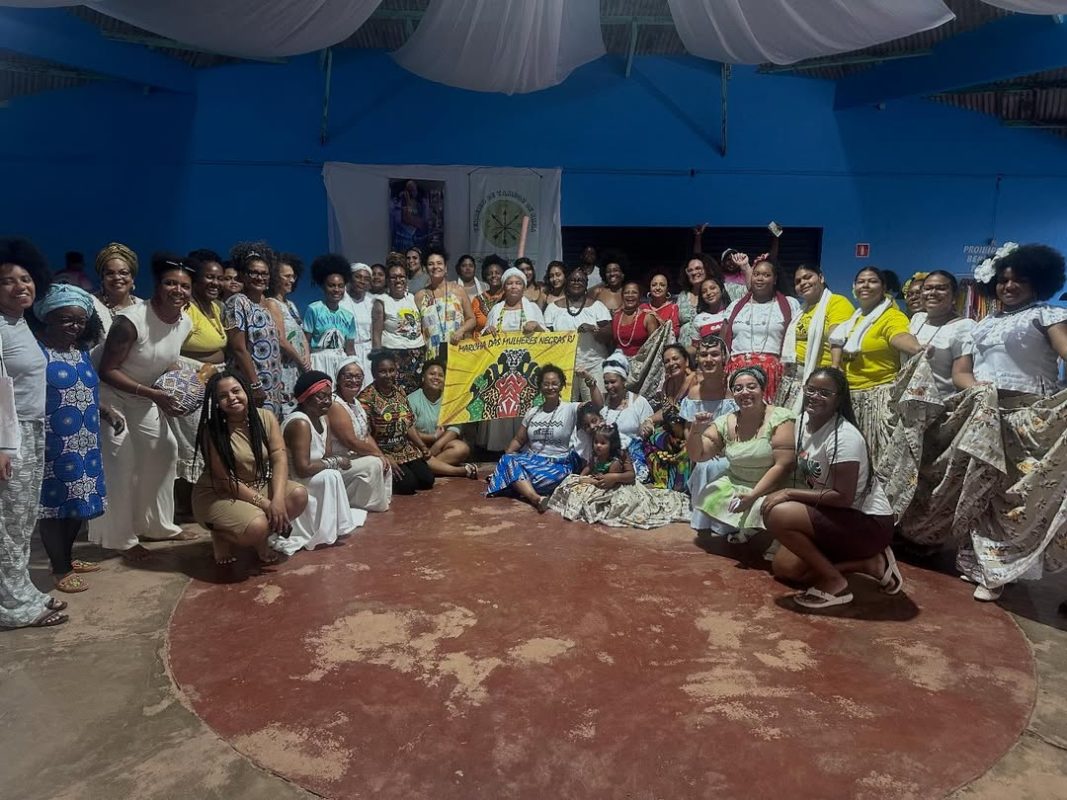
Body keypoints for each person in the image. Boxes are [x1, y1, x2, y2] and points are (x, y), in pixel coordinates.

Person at [900, 244, 1067, 601]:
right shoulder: (985, 323)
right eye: (1004, 280)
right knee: (983, 490)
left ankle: (1004, 570)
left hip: (1028, 418)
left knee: (1016, 495)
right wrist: (979, 393)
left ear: (1038, 282)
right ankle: (982, 564)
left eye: (1019, 280)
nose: (1009, 286)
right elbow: (963, 372)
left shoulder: (1047, 315)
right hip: (985, 416)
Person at [764, 367, 901, 610]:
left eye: (825, 393)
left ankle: (836, 582)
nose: (815, 396)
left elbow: (843, 497)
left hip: (867, 523)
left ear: (839, 399)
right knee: (785, 569)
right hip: (833, 514)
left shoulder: (845, 437)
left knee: (778, 513)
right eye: (811, 390)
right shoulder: (803, 423)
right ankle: (870, 564)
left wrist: (787, 493)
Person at [89, 253, 197, 561]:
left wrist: (179, 387)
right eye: (170, 283)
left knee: (164, 450)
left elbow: (166, 359)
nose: (178, 290)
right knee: (120, 463)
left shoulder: (184, 321)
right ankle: (120, 538)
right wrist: (152, 393)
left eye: (185, 285)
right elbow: (106, 370)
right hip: (110, 395)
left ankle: (157, 525)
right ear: (157, 286)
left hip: (144, 395)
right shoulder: (131, 321)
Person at [0, 238, 70, 627]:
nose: (19, 286)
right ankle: (12, 610)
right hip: (9, 438)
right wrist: (3, 446)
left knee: (22, 520)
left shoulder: (20, 322)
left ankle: (21, 592)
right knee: (6, 524)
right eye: (8, 281)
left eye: (25, 279)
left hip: (30, 430)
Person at [31, 284, 117, 593]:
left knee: (78, 504)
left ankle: (68, 557)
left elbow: (84, 393)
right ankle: (59, 568)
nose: (75, 326)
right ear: (47, 317)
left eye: (80, 320)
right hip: (53, 445)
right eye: (66, 319)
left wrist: (105, 411)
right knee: (55, 508)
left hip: (86, 442)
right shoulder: (35, 352)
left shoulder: (79, 352)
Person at [192, 372, 308, 567]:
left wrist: (277, 500)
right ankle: (222, 535)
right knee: (257, 525)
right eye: (223, 396)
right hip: (219, 492)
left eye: (236, 391)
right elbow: (226, 481)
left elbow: (279, 458)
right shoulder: (210, 430)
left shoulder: (265, 417)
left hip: (255, 484)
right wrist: (267, 505)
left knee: (298, 495)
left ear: (246, 391)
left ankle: (258, 537)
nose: (231, 398)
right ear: (217, 402)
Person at [688, 366, 796, 542]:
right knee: (710, 493)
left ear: (762, 389)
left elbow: (783, 465)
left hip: (774, 486)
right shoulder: (726, 421)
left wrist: (753, 497)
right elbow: (698, 456)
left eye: (751, 386)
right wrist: (696, 431)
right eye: (738, 389)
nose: (744, 392)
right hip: (737, 483)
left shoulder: (781, 417)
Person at [829, 267, 922, 461]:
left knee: (876, 459)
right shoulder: (854, 319)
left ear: (884, 287)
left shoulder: (891, 316)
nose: (865, 285)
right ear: (854, 287)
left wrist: (917, 348)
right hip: (850, 398)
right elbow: (836, 341)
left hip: (878, 401)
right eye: (861, 281)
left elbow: (898, 336)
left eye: (872, 281)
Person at [278, 372, 366, 555]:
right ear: (306, 398)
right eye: (321, 397)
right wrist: (336, 461)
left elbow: (324, 455)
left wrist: (331, 461)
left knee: (331, 473)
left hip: (311, 475)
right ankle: (317, 529)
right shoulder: (300, 423)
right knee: (330, 474)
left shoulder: (323, 419)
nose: (327, 402)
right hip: (294, 481)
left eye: (329, 397)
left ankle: (330, 526)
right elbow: (302, 469)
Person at [548, 423, 690, 529]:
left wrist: (614, 478)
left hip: (619, 485)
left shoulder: (620, 455)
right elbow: (589, 467)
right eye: (596, 442)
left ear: (612, 443)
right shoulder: (595, 455)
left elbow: (631, 476)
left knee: (620, 503)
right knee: (571, 484)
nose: (598, 446)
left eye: (603, 443)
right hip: (597, 482)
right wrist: (581, 478)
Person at [172, 255, 227, 512]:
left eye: (219, 277)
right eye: (209, 277)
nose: (215, 282)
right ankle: (184, 506)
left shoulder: (215, 308)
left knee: (209, 441)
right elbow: (171, 347)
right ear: (195, 279)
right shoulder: (186, 309)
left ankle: (202, 500)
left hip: (214, 379)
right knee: (189, 443)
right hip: (191, 378)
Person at [486, 365, 581, 512]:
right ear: (540, 387)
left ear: (562, 385)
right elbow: (518, 440)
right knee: (507, 461)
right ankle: (535, 498)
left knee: (511, 473)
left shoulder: (570, 409)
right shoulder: (532, 412)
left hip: (557, 467)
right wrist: (505, 459)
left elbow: (597, 405)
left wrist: (590, 381)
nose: (550, 387)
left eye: (555, 383)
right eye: (546, 384)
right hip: (533, 462)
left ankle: (516, 482)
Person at [722, 256, 800, 402]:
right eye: (756, 274)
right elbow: (722, 342)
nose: (760, 278)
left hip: (773, 374)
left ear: (775, 279)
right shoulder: (736, 306)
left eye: (766, 275)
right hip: (738, 374)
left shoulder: (790, 304)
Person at [778, 263, 855, 410]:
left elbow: (837, 336)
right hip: (794, 379)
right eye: (798, 281)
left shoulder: (836, 302)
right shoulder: (802, 310)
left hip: (821, 380)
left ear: (821, 277)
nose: (803, 283)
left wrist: (834, 369)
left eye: (808, 277)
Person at [682, 335, 739, 528]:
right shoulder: (694, 393)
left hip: (731, 449)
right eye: (704, 354)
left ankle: (723, 521)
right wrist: (697, 451)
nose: (708, 359)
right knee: (705, 465)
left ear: (724, 358)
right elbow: (688, 430)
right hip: (701, 449)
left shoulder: (734, 389)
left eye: (714, 354)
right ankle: (704, 519)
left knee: (715, 466)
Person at [359, 351, 435, 494]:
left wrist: (422, 446)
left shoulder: (399, 391)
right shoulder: (366, 398)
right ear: (374, 373)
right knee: (409, 486)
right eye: (382, 371)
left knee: (427, 480)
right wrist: (383, 457)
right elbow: (364, 434)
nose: (388, 375)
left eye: (391, 370)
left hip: (404, 449)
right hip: (382, 451)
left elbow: (409, 423)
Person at [224, 242, 285, 416]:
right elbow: (238, 348)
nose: (259, 277)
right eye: (254, 273)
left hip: (272, 385)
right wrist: (255, 384)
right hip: (252, 385)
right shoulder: (237, 302)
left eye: (264, 273)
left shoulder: (266, 304)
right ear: (243, 276)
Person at [326, 358, 393, 511]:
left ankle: (373, 501)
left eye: (358, 377)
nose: (354, 380)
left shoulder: (356, 403)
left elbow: (366, 435)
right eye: (348, 376)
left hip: (355, 456)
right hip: (340, 461)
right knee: (374, 463)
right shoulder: (335, 404)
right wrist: (378, 455)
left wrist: (380, 454)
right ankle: (357, 503)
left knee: (382, 463)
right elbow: (351, 441)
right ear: (338, 379)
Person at [544, 265, 611, 401]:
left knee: (595, 409)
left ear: (586, 284)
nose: (576, 282)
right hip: (563, 366)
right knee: (565, 409)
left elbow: (609, 335)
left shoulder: (597, 307)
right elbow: (546, 339)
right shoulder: (552, 308)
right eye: (573, 280)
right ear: (567, 283)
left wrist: (593, 328)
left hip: (593, 365)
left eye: (580, 280)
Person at [908, 270, 976, 396]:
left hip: (942, 406)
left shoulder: (964, 327)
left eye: (941, 288)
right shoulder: (917, 319)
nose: (932, 293)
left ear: (954, 296)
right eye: (927, 288)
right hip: (906, 402)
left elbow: (962, 374)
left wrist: (979, 389)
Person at [407, 360, 478, 479]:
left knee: (462, 448)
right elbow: (409, 431)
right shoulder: (411, 399)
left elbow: (455, 428)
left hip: (440, 448)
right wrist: (432, 437)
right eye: (432, 374)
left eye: (440, 375)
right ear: (423, 377)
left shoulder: (449, 399)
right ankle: (458, 471)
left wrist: (437, 445)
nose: (436, 378)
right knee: (414, 455)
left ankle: (428, 468)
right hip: (418, 446)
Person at [266, 253, 311, 417]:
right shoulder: (272, 304)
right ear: (275, 278)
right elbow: (281, 340)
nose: (292, 280)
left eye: (293, 276)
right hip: (286, 368)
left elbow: (300, 332)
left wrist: (307, 356)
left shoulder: (291, 304)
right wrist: (301, 361)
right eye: (287, 276)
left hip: (298, 367)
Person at [371, 263, 425, 395]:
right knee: (396, 394)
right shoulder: (382, 301)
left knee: (415, 393)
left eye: (401, 276)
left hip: (417, 355)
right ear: (388, 281)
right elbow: (376, 334)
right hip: (395, 356)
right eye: (393, 277)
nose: (398, 280)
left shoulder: (413, 298)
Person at [303, 253, 357, 384]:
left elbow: (349, 348)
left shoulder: (348, 316)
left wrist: (355, 365)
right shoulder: (313, 309)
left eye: (340, 286)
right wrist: (306, 361)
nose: (336, 289)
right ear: (323, 286)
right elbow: (305, 340)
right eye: (331, 285)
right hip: (318, 360)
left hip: (341, 361)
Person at [415, 247, 476, 362]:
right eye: (431, 264)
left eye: (439, 263)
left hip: (457, 350)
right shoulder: (420, 296)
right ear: (426, 269)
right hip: (432, 354)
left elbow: (472, 319)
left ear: (446, 267)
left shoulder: (458, 290)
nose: (435, 267)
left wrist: (461, 331)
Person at [598, 353, 651, 481]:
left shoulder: (639, 402)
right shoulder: (602, 403)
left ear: (624, 380)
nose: (609, 386)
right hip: (606, 460)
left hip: (632, 461)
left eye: (613, 382)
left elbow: (649, 432)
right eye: (606, 383)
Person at [91, 242, 142, 363]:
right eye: (110, 273)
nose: (117, 277)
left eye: (123, 273)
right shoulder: (90, 304)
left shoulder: (143, 307)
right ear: (102, 278)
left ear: (132, 277)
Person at [337, 261, 374, 376]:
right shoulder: (339, 301)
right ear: (350, 278)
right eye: (358, 277)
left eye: (366, 279)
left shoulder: (371, 302)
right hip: (345, 353)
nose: (362, 281)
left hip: (368, 353)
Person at [483, 266, 546, 334]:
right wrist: (487, 331)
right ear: (504, 288)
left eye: (518, 283)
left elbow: (547, 335)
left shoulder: (533, 308)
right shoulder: (496, 309)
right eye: (509, 283)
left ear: (524, 288)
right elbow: (484, 334)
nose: (513, 287)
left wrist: (536, 326)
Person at [611, 282, 660, 358]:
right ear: (622, 296)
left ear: (640, 296)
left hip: (640, 363)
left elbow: (654, 347)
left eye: (634, 292)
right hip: (618, 364)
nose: (630, 295)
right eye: (626, 293)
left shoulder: (648, 317)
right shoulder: (616, 317)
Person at [677, 255, 710, 345]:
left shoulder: (714, 293)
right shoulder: (682, 296)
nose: (694, 272)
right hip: (683, 352)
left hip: (707, 352)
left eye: (698, 268)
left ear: (706, 270)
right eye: (690, 270)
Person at [690, 275, 730, 347]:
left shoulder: (733, 311)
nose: (708, 293)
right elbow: (695, 348)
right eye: (704, 292)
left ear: (722, 289)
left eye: (712, 288)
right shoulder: (699, 319)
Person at [471, 256, 505, 331]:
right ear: (485, 276)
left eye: (497, 273)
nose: (493, 276)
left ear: (504, 276)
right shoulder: (478, 300)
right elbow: (469, 328)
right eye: (490, 274)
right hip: (480, 341)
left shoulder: (509, 299)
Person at [640, 273, 680, 338]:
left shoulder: (673, 308)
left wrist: (657, 318)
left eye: (662, 285)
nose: (658, 288)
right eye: (654, 285)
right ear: (649, 288)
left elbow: (675, 332)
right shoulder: (643, 307)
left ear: (667, 289)